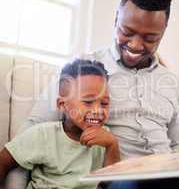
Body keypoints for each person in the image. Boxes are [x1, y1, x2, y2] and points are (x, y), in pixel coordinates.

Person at [20, 0, 179, 188]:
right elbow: (34, 127)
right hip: (121, 177)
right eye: (127, 31)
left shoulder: (172, 81)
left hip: (170, 172)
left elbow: (178, 144)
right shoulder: (83, 71)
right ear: (116, 19)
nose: (135, 45)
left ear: (163, 31)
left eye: (150, 38)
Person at [0, 59, 120, 189]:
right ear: (63, 105)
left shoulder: (105, 138)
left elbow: (109, 183)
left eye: (104, 103)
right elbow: (3, 161)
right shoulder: (43, 134)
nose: (98, 111)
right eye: (88, 102)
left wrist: (112, 145)